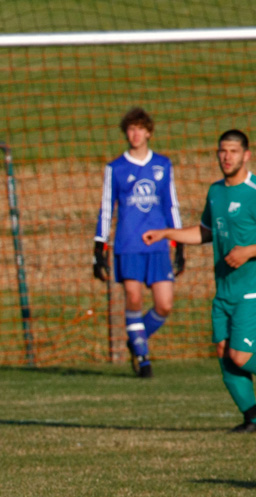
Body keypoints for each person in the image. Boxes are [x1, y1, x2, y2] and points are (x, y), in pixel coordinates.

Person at [142, 129, 256, 432]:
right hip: (226, 289)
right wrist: (167, 233)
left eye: (233, 151)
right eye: (222, 151)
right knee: (224, 352)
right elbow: (206, 232)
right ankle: (254, 419)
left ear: (246, 155)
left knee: (241, 354)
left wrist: (248, 251)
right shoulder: (216, 192)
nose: (226, 156)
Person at [94, 107, 184, 378]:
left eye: (139, 129)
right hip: (128, 243)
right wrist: (99, 245)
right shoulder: (116, 168)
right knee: (133, 298)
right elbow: (107, 208)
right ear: (126, 133)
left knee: (164, 304)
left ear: (149, 132)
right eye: (130, 129)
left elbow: (172, 204)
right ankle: (142, 356)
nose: (135, 134)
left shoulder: (163, 165)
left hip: (158, 245)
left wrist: (179, 243)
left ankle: (135, 340)